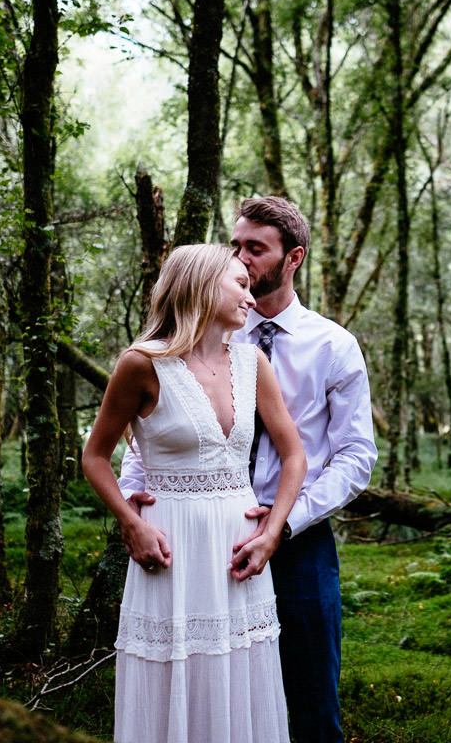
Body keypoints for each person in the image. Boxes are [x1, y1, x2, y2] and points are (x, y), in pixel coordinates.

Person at [120, 197, 377, 742]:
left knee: (312, 702)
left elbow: (356, 456)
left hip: (299, 541)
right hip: (199, 541)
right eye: (235, 245)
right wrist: (133, 508)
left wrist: (284, 524)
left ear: (293, 258)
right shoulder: (206, 330)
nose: (240, 258)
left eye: (255, 248)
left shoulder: (333, 346)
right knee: (206, 694)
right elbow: (152, 429)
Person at [82, 243, 306, 743]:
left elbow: (295, 455)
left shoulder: (252, 362)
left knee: (240, 671)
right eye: (240, 285)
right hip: (171, 550)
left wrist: (271, 534)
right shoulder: (141, 364)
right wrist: (130, 523)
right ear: (202, 285)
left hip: (238, 550)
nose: (251, 299)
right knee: (174, 670)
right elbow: (95, 456)